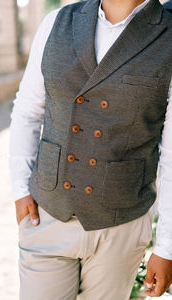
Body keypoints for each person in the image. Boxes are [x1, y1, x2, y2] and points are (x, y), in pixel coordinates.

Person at [9, 0, 172, 299]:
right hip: (47, 215)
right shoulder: (56, 22)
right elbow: (28, 111)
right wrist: (20, 189)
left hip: (120, 225)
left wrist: (167, 248)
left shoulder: (168, 34)